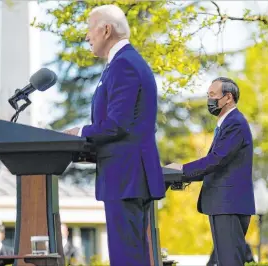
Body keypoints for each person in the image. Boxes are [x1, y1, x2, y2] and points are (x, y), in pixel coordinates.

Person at [63, 5, 165, 266]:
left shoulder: (124, 65)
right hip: (124, 175)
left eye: (89, 29)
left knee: (127, 257)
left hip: (126, 176)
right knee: (129, 255)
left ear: (106, 29)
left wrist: (80, 132)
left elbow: (116, 125)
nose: (87, 36)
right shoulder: (120, 64)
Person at [166, 77, 256, 266]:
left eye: (213, 95)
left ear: (228, 97)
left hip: (229, 205)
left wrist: (182, 169)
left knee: (230, 262)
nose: (209, 100)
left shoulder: (235, 123)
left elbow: (216, 160)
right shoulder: (227, 124)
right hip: (223, 204)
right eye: (208, 95)